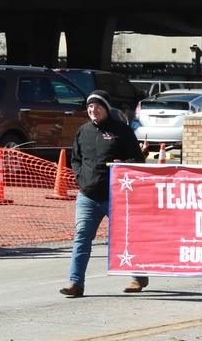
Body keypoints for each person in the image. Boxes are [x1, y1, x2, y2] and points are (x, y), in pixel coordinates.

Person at [60, 91, 149, 298]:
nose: (93, 110)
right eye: (90, 107)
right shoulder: (83, 131)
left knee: (127, 237)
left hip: (116, 195)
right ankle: (75, 283)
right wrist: (80, 178)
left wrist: (123, 164)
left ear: (106, 108)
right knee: (81, 236)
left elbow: (138, 160)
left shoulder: (122, 131)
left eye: (98, 106)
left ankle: (138, 276)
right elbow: (75, 159)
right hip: (87, 196)